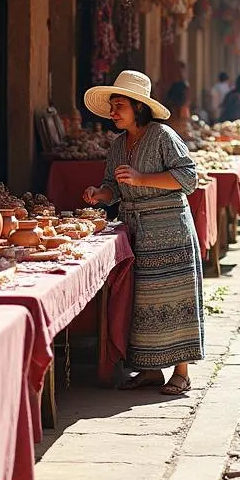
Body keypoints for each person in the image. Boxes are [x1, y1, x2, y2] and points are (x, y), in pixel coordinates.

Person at [82, 70, 202, 395]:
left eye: (118, 105)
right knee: (143, 303)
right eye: (112, 105)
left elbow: (188, 177)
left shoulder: (163, 135)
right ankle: (150, 370)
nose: (113, 112)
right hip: (135, 229)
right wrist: (99, 194)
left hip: (169, 228)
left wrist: (141, 178)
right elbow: (113, 186)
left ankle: (182, 372)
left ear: (138, 106)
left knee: (175, 298)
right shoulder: (118, 144)